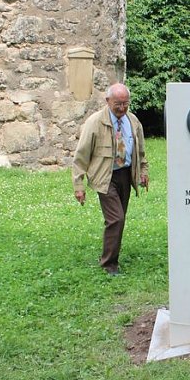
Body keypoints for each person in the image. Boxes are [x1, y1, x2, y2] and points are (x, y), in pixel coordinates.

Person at [72, 83, 149, 275]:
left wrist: (143, 171)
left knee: (118, 219)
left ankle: (111, 254)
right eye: (118, 104)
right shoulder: (95, 122)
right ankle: (109, 264)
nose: (122, 108)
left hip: (125, 174)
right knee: (116, 219)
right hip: (105, 176)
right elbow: (81, 155)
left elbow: (140, 151)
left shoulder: (133, 121)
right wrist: (78, 185)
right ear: (108, 101)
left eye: (125, 103)